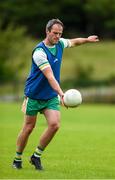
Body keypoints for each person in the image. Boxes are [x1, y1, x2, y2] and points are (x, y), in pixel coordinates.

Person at [12, 18, 99, 170]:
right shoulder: (39, 52)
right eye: (55, 33)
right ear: (47, 31)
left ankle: (36, 156)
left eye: (60, 33)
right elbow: (50, 76)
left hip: (50, 95)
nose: (58, 36)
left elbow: (74, 41)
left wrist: (87, 39)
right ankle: (17, 158)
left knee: (54, 125)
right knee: (28, 128)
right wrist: (62, 95)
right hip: (34, 95)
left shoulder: (60, 43)